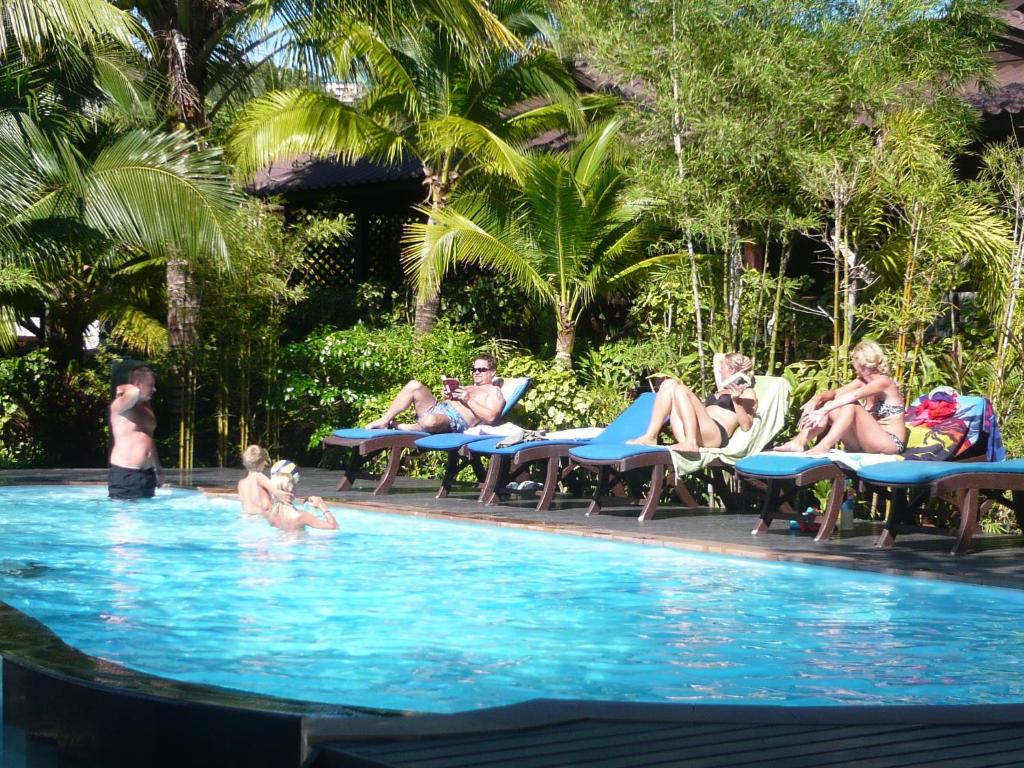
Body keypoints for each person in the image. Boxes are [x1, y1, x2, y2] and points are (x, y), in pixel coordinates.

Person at [774, 340, 906, 456]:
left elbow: (853, 396)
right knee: (828, 404)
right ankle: (798, 442)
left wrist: (821, 412)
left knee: (851, 406)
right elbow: (835, 394)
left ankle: (824, 446)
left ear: (859, 363)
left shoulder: (884, 382)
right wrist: (816, 399)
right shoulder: (862, 381)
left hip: (890, 443)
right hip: (866, 442)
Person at [628, 353, 758, 453]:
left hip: (714, 434)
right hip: (692, 428)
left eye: (722, 368)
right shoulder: (722, 388)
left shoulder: (747, 392)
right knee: (669, 383)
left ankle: (691, 443)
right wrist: (745, 359)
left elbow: (746, 426)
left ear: (732, 369)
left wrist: (736, 401)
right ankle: (651, 436)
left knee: (681, 389)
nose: (719, 370)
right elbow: (717, 357)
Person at [365, 354, 505, 433]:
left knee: (430, 420)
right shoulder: (468, 387)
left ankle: (403, 426)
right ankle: (385, 420)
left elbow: (492, 417)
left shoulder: (494, 391)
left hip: (454, 421)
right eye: (474, 369)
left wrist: (468, 399)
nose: (476, 372)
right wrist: (448, 396)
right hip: (439, 408)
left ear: (492, 372)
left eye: (481, 370)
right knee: (414, 385)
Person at [108, 365, 163, 500]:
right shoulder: (120, 404)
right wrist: (124, 387)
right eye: (151, 385)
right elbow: (133, 393)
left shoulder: (147, 407)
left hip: (147, 474)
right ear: (138, 384)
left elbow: (149, 438)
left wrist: (158, 468)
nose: (154, 389)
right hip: (125, 474)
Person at [265, 461, 339, 531]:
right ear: (291, 492)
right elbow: (334, 526)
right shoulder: (301, 516)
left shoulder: (269, 515)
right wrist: (321, 505)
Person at [237, 444, 292, 515]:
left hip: (246, 516)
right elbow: (275, 491)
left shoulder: (241, 483)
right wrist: (285, 496)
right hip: (261, 516)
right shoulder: (259, 477)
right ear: (262, 462)